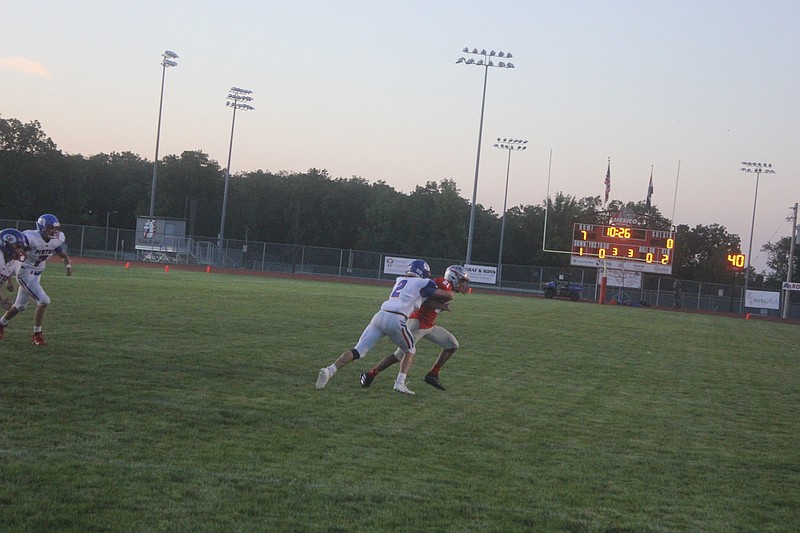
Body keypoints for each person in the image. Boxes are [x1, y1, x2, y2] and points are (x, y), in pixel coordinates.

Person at [315, 259, 453, 395]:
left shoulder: (400, 280)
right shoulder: (423, 282)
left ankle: (330, 370)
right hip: (397, 318)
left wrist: (439, 305)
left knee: (358, 350)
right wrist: (450, 293)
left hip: (380, 315)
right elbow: (444, 294)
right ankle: (400, 383)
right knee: (410, 350)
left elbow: (423, 300)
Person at [360, 265, 470, 391]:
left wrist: (440, 306)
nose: (463, 285)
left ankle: (433, 374)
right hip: (417, 323)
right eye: (462, 281)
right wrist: (440, 305)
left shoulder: (447, 286)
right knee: (399, 355)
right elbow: (423, 299)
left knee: (452, 345)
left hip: (429, 325)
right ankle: (370, 374)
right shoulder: (442, 284)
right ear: (453, 277)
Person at [0, 214, 72, 345]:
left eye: (56, 228)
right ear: (42, 227)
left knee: (20, 306)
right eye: (51, 228)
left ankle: (1, 324)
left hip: (38, 273)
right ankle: (37, 335)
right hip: (25, 272)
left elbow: (62, 254)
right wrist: (9, 280)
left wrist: (67, 265)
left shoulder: (56, 239)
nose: (54, 231)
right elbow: (12, 256)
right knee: (44, 300)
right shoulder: (30, 238)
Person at [0, 229, 29, 335]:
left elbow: (6, 269)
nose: (20, 250)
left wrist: (9, 281)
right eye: (17, 247)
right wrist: (2, 302)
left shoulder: (11, 259)